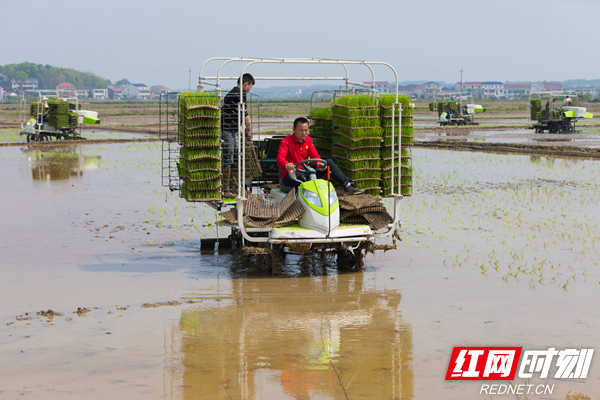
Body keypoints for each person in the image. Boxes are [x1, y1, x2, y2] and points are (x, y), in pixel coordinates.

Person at [277, 117, 364, 196]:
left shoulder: (308, 140)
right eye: (301, 130)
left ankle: (348, 186)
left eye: (306, 130)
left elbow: (315, 155)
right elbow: (280, 158)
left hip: (305, 172)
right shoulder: (286, 142)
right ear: (294, 129)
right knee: (307, 178)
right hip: (291, 176)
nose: (304, 133)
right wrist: (287, 165)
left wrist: (318, 163)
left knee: (328, 162)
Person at [221, 73, 257, 197]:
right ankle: (226, 190)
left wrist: (240, 129)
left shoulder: (232, 93)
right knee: (228, 158)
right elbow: (245, 114)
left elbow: (234, 113)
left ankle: (233, 186)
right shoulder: (240, 93)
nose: (249, 89)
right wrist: (250, 128)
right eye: (250, 86)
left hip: (230, 130)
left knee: (234, 155)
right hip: (227, 132)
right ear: (246, 84)